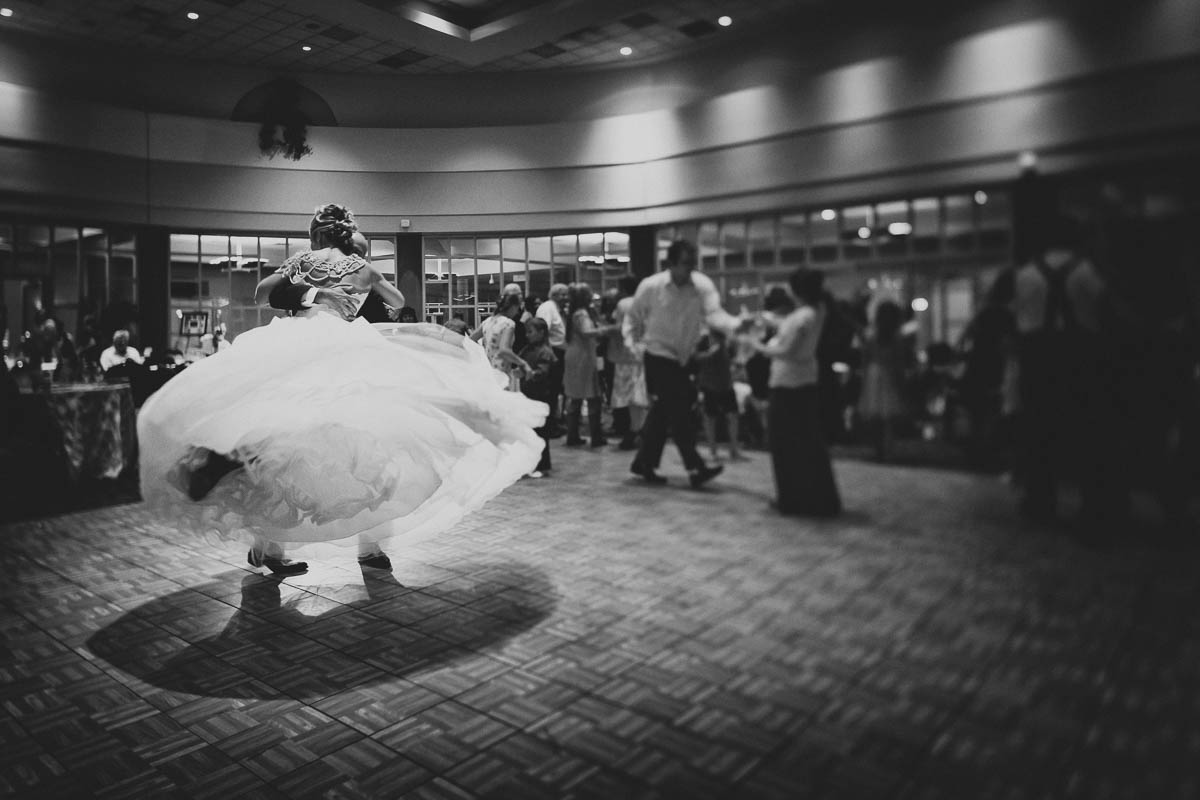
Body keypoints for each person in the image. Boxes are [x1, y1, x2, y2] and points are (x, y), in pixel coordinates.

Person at [137, 203, 547, 577]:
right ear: (347, 234)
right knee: (371, 438)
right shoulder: (360, 265)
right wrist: (364, 286)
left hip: (290, 343)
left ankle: (268, 547)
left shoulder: (301, 261)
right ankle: (367, 547)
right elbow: (399, 298)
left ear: (317, 234)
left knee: (278, 440)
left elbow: (263, 294)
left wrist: (311, 291)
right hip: (343, 345)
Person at [1012, 213, 1112, 528]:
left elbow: (1022, 319)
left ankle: (1041, 500)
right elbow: (1101, 307)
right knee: (1087, 432)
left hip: (1037, 357)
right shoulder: (1086, 269)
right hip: (1079, 356)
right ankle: (1092, 505)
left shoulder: (1026, 273)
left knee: (1039, 431)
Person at [622, 239, 743, 487]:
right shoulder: (652, 286)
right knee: (678, 412)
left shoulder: (701, 285)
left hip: (683, 358)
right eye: (687, 263)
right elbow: (632, 317)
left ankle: (643, 462)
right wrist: (633, 346)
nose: (692, 268)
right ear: (672, 263)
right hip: (658, 355)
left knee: (663, 411)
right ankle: (695, 467)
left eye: (693, 262)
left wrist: (737, 325)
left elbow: (714, 314)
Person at [750, 268, 842, 516]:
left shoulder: (803, 316)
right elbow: (791, 328)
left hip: (787, 383)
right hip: (806, 382)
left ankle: (791, 499)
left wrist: (757, 345)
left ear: (796, 289)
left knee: (784, 445)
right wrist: (769, 320)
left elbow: (787, 350)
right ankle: (819, 498)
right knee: (810, 443)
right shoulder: (818, 310)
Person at [856, 300, 912, 461]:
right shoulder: (897, 338)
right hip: (888, 373)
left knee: (877, 417)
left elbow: (865, 359)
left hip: (873, 375)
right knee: (889, 418)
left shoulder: (872, 336)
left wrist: (864, 377)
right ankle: (888, 449)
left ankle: (879, 449)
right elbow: (898, 363)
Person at [562, 283, 613, 447]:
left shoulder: (573, 314)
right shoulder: (582, 313)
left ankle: (572, 435)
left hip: (574, 355)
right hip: (583, 357)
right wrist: (607, 330)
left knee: (575, 398)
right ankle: (596, 437)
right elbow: (586, 332)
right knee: (593, 397)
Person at [608, 275, 648, 451]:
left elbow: (618, 328)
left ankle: (632, 432)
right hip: (643, 351)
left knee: (627, 395)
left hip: (626, 353)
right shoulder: (645, 301)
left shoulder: (623, 303)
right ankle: (640, 430)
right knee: (640, 394)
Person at [695, 326, 744, 462]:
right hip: (709, 385)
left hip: (725, 384)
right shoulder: (702, 341)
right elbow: (696, 358)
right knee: (710, 417)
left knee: (732, 415)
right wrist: (711, 351)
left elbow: (734, 358)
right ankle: (713, 450)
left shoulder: (727, 343)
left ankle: (733, 450)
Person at [518, 317, 557, 477]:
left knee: (541, 430)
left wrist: (529, 374)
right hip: (528, 394)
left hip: (541, 396)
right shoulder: (527, 349)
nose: (528, 335)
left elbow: (542, 373)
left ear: (541, 333)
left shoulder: (545, 352)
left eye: (531, 332)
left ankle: (541, 463)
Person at [474, 293, 529, 391]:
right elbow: (504, 350)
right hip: (501, 371)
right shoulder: (508, 323)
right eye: (517, 308)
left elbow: (470, 340)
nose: (517, 312)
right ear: (513, 307)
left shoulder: (487, 321)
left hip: (487, 370)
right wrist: (523, 363)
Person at [535, 283, 569, 436]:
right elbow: (542, 329)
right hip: (552, 352)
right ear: (554, 295)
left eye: (566, 294)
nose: (566, 298)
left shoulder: (558, 309)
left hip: (560, 352)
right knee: (551, 391)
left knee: (555, 391)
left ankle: (554, 422)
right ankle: (548, 426)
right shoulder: (548, 308)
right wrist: (547, 353)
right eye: (562, 294)